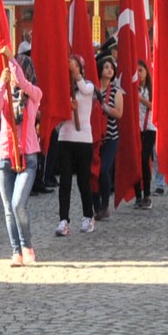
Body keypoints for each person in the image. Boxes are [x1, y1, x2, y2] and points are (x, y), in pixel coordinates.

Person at [0, 55, 43, 265]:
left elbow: (23, 84)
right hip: (4, 156)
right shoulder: (5, 96)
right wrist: (0, 84)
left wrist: (10, 60)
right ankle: (16, 251)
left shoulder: (34, 94)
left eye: (18, 70)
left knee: (18, 204)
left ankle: (27, 245)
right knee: (8, 208)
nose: (14, 75)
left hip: (27, 155)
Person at [54, 54, 96, 237]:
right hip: (65, 138)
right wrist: (65, 112)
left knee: (83, 181)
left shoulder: (88, 86)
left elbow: (85, 90)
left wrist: (76, 72)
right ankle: (63, 220)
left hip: (84, 139)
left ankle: (88, 215)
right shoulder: (63, 91)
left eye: (76, 66)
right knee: (64, 181)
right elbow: (56, 119)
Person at [93, 56, 123, 219]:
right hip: (94, 137)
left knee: (104, 169)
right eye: (106, 67)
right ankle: (95, 206)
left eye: (111, 68)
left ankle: (105, 205)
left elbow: (119, 113)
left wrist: (104, 106)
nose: (109, 70)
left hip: (111, 137)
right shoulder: (93, 89)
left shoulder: (116, 92)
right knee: (93, 172)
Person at [133, 60, 156, 209]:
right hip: (136, 128)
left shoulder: (151, 89)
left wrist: (141, 99)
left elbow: (154, 106)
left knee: (143, 159)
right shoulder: (132, 88)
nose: (139, 73)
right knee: (136, 162)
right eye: (137, 71)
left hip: (149, 128)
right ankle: (138, 195)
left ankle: (147, 194)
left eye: (141, 70)